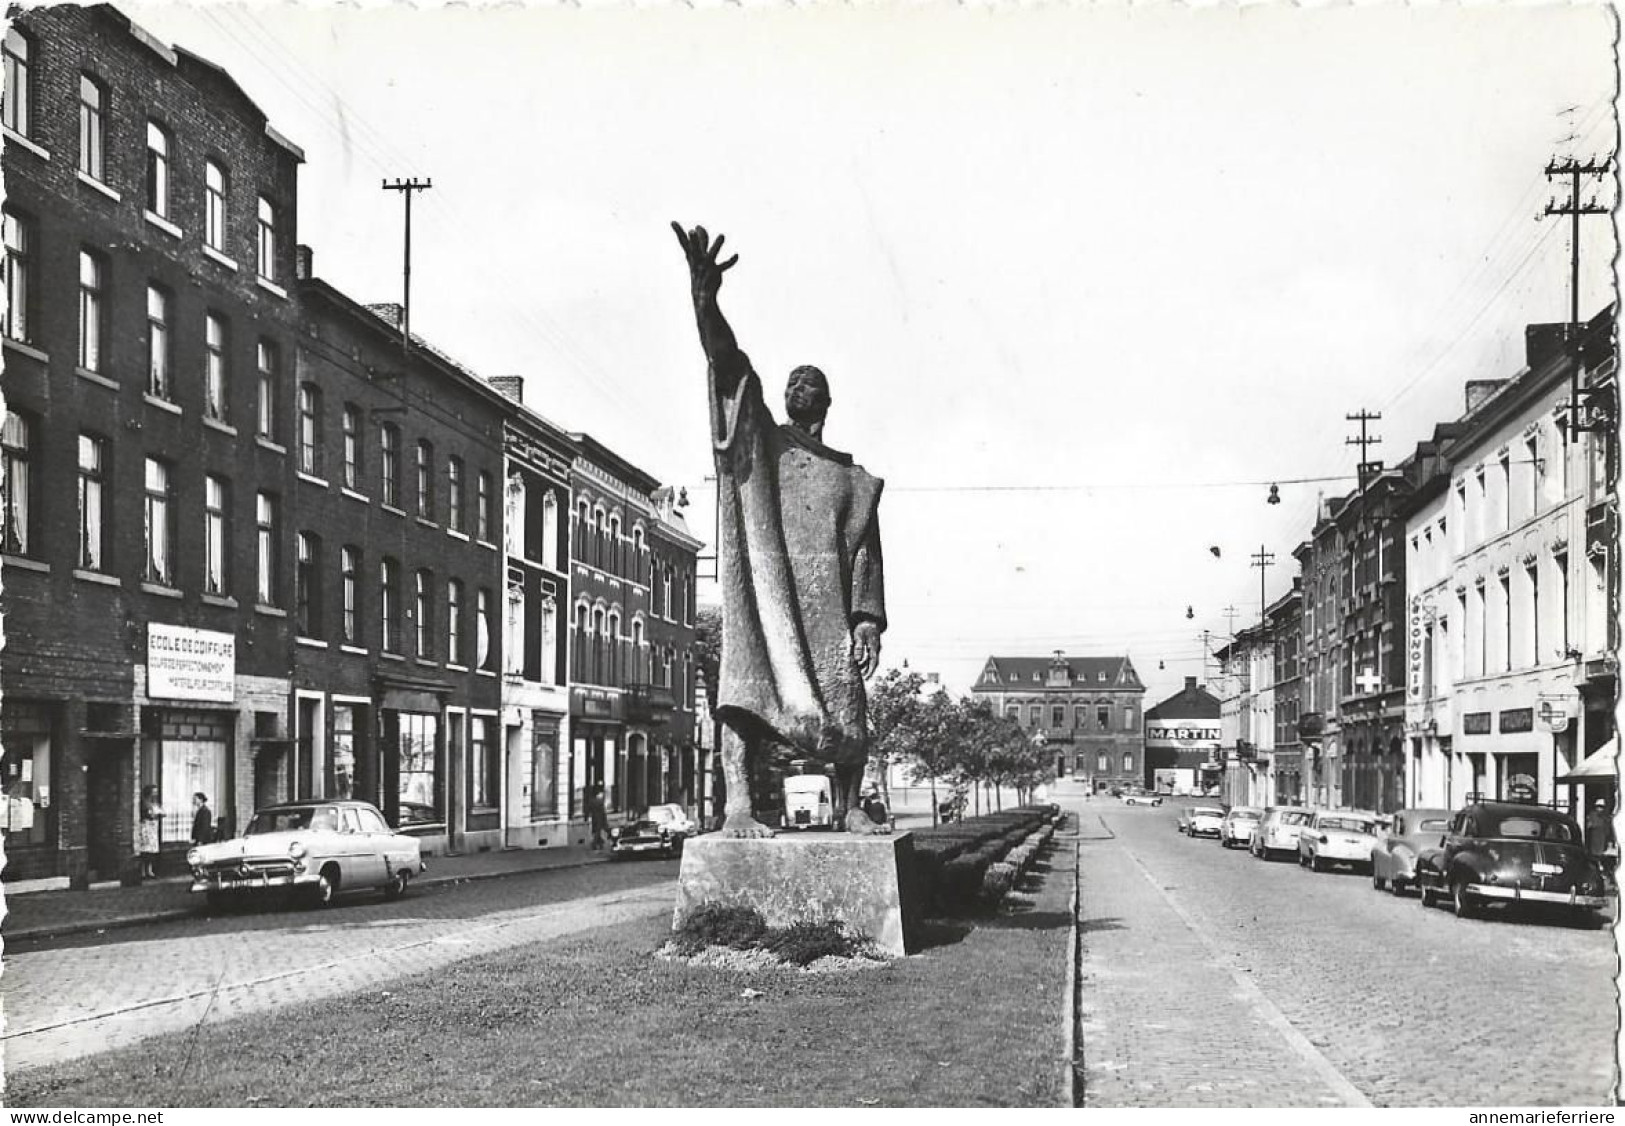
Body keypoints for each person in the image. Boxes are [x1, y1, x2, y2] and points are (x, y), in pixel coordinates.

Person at [673, 223, 889, 838]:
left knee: (848, 707)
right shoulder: (766, 444)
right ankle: (738, 806)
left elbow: (866, 557)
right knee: (743, 696)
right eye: (792, 381)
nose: (797, 387)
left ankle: (848, 808)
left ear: (825, 403)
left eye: (808, 383)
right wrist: (706, 302)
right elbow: (730, 367)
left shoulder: (853, 481)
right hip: (767, 597)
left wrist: (866, 618)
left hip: (824, 607)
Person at [138, 785, 163, 880]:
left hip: (153, 829)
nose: (155, 794)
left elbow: (162, 812)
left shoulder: (155, 803)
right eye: (154, 792)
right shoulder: (144, 802)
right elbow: (145, 814)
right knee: (145, 851)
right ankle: (143, 871)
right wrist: (152, 815)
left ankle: (149, 870)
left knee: (152, 852)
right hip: (146, 828)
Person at [587, 785, 610, 850]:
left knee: (596, 831)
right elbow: (603, 812)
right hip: (600, 819)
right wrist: (605, 821)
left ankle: (600, 843)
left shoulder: (591, 801)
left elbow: (589, 809)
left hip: (594, 818)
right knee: (598, 831)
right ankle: (595, 844)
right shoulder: (600, 802)